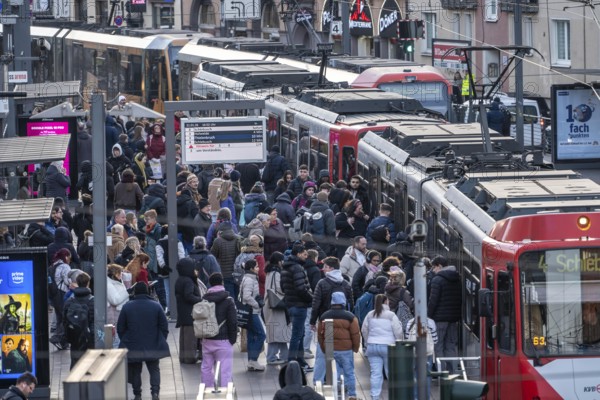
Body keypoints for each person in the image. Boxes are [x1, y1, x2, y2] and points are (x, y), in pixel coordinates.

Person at [118, 282, 170, 400]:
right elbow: (164, 326)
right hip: (153, 343)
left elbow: (120, 328)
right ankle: (155, 393)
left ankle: (137, 394)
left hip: (133, 344)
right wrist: (160, 339)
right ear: (148, 291)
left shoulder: (127, 306)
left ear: (135, 292)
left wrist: (126, 340)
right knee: (154, 369)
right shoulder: (156, 306)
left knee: (136, 370)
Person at [310, 256, 354, 385]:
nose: (323, 269)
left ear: (331, 268)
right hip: (343, 323)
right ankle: (339, 381)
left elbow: (316, 304)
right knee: (341, 353)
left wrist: (313, 321)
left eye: (325, 267)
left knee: (323, 354)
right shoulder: (345, 284)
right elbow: (351, 303)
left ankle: (318, 381)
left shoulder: (322, 283)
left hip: (326, 323)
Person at [317, 292, 361, 400]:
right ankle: (352, 395)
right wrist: (355, 348)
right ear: (343, 302)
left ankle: (333, 394)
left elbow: (320, 335)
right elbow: (355, 335)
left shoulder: (324, 316)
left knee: (332, 373)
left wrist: (324, 349)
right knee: (349, 373)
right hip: (346, 349)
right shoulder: (350, 317)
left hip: (330, 349)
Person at [361, 294, 404, 400]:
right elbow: (398, 331)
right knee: (391, 372)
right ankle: (395, 395)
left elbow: (364, 330)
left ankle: (375, 397)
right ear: (386, 302)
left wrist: (367, 342)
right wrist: (399, 343)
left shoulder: (370, 314)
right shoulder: (391, 315)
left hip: (372, 346)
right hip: (388, 346)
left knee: (375, 374)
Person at [280, 243, 313, 371]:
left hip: (290, 304)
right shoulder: (297, 268)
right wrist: (311, 298)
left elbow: (283, 287)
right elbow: (301, 289)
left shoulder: (285, 267)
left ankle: (300, 361)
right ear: (298, 254)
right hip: (299, 305)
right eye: (305, 254)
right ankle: (292, 363)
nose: (306, 256)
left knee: (300, 334)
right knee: (297, 335)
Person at [201, 273, 237, 385]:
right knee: (225, 370)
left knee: (206, 368)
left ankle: (207, 392)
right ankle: (224, 393)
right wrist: (232, 340)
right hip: (223, 340)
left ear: (210, 284)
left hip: (207, 339)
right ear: (222, 282)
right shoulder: (228, 301)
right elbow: (233, 322)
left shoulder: (204, 300)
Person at [428, 255, 461, 374]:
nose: (433, 270)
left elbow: (433, 301)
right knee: (451, 346)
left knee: (438, 346)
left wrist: (428, 316)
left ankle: (441, 372)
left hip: (439, 319)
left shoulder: (437, 280)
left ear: (439, 266)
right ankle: (453, 373)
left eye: (434, 267)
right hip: (453, 319)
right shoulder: (457, 278)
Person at [174, 258, 203, 364]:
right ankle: (190, 358)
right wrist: (200, 299)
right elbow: (189, 296)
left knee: (184, 336)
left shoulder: (180, 279)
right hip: (190, 312)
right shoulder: (188, 281)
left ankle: (184, 357)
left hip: (182, 312)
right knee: (191, 336)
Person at [63, 272, 95, 369]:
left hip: (74, 335)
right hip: (88, 336)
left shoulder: (70, 300)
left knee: (75, 361)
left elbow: (64, 319)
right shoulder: (92, 300)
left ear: (77, 282)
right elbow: (94, 320)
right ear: (88, 283)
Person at [264, 252, 290, 365]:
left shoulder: (270, 272)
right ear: (279, 261)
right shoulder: (276, 273)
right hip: (275, 304)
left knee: (279, 331)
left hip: (270, 304)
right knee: (276, 331)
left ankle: (285, 356)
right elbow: (279, 288)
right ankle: (271, 357)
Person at [240, 259, 267, 371]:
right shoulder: (250, 280)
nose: (258, 268)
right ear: (251, 269)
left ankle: (251, 361)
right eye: (256, 267)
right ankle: (253, 360)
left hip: (250, 312)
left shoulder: (248, 278)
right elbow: (246, 296)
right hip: (252, 312)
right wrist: (257, 305)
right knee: (261, 335)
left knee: (251, 336)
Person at [107, 264, 129, 348]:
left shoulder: (117, 281)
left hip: (119, 312)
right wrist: (127, 293)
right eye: (120, 273)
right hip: (114, 314)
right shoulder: (108, 284)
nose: (121, 275)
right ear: (115, 274)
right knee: (115, 338)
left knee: (118, 337)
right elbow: (115, 300)